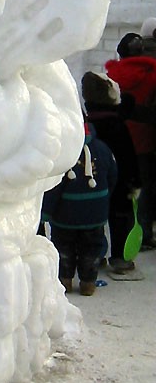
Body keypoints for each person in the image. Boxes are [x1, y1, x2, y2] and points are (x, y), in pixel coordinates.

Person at [41, 122, 117, 296]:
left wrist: (45, 213)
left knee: (64, 248)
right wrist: (102, 199)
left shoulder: (64, 154)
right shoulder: (103, 149)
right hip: (94, 215)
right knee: (91, 249)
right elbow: (112, 176)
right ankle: (88, 283)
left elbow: (54, 188)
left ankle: (64, 280)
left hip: (65, 216)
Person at [81, 71, 141, 271]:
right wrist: (135, 181)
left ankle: (95, 255)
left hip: (94, 178)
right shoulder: (116, 124)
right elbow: (128, 155)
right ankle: (119, 257)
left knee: (94, 219)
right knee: (121, 218)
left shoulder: (88, 122)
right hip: (121, 179)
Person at [106, 33, 156, 249]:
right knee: (146, 186)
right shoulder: (152, 75)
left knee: (119, 187)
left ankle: (121, 234)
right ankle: (143, 234)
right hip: (146, 139)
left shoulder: (111, 75)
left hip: (117, 139)